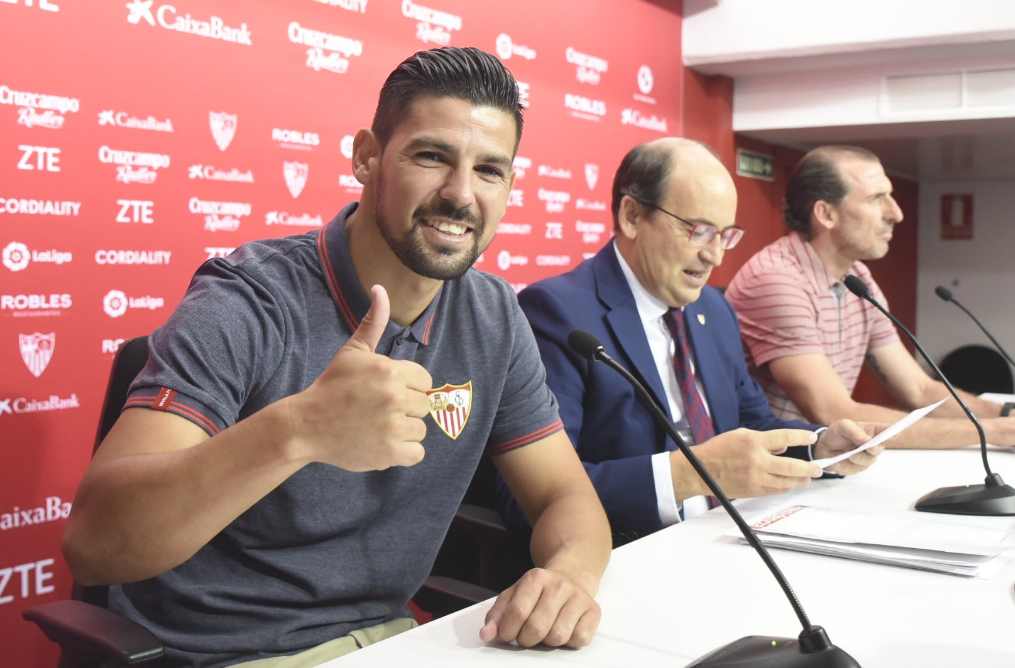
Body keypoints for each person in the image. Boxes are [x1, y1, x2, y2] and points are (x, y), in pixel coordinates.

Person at [62, 47, 610, 668]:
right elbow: (96, 543)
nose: (461, 194)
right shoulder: (249, 299)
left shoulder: (495, 315)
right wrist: (298, 431)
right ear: (366, 156)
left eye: (490, 170)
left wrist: (569, 575)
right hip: (221, 654)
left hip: (394, 641)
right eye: (431, 156)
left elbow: (566, 496)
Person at [498, 137, 882, 543]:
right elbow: (532, 496)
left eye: (725, 235)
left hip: (730, 535)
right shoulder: (558, 312)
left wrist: (819, 446)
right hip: (630, 551)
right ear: (632, 216)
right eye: (698, 231)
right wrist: (691, 473)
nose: (715, 256)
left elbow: (753, 427)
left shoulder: (714, 310)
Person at [725, 145, 1015, 448]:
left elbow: (917, 389)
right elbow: (834, 412)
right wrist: (994, 432)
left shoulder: (858, 278)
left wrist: (1006, 415)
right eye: (877, 199)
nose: (896, 213)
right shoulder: (777, 280)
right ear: (826, 213)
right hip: (776, 468)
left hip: (820, 461)